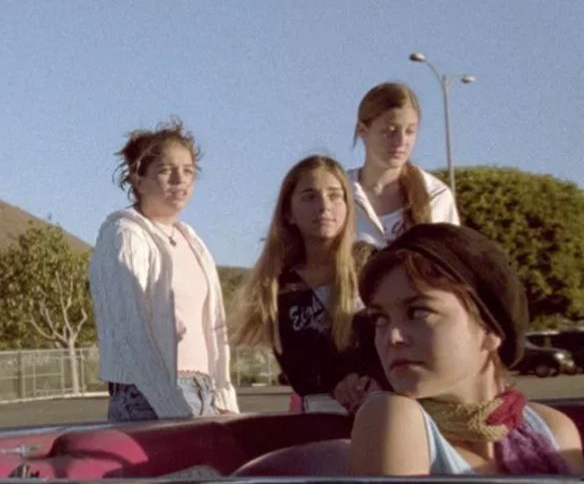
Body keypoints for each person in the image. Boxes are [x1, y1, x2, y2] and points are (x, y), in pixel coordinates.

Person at [349, 223, 584, 476]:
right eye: (380, 319)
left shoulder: (552, 429)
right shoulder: (391, 417)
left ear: (491, 329)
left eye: (418, 312)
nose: (392, 337)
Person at [89, 120, 238, 421]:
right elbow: (129, 332)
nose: (179, 180)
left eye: (188, 171)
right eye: (166, 170)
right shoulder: (125, 234)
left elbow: (214, 326)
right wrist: (170, 406)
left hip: (203, 390)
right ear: (138, 178)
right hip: (147, 396)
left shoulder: (192, 241)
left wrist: (224, 398)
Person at [230, 156, 374, 413]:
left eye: (334, 196)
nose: (324, 206)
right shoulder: (279, 285)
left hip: (381, 409)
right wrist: (337, 383)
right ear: (289, 213)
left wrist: (371, 381)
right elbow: (296, 366)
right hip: (319, 416)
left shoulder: (372, 265)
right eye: (309, 197)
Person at [349, 82, 460, 247]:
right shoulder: (341, 192)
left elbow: (451, 264)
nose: (401, 142)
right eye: (390, 130)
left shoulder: (435, 195)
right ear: (362, 131)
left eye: (410, 131)